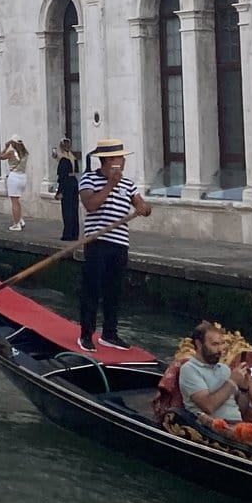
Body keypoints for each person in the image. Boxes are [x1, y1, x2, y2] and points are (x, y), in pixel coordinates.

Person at [76, 139, 152, 351]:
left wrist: (144, 208)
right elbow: (90, 205)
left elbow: (140, 204)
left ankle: (110, 334)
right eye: (120, 157)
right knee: (91, 289)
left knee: (114, 291)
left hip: (119, 244)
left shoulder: (128, 184)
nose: (124, 160)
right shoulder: (88, 179)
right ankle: (86, 335)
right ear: (109, 160)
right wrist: (110, 184)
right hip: (97, 242)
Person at [178, 321, 250, 425]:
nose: (220, 349)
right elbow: (208, 406)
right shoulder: (189, 369)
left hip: (237, 424)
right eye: (215, 344)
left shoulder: (225, 369)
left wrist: (244, 389)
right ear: (199, 344)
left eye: (221, 344)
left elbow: (242, 410)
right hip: (212, 427)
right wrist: (232, 381)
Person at [1, 136, 29, 232]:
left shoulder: (11, 153)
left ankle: (16, 224)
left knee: (14, 201)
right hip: (23, 177)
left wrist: (5, 147)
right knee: (17, 200)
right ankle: (20, 219)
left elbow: (0, 157)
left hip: (14, 177)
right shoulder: (25, 153)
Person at [55, 139, 79, 242]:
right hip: (74, 182)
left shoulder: (63, 160)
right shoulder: (73, 157)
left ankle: (68, 234)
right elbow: (75, 170)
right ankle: (75, 233)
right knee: (74, 209)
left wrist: (59, 191)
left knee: (67, 210)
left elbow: (62, 177)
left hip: (67, 185)